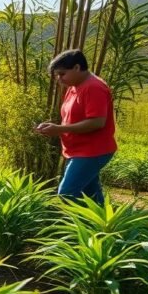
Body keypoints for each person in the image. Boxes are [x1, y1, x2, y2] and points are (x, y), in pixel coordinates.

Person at [35, 49, 117, 205]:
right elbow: (70, 117)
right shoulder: (74, 86)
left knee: (67, 192)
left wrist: (59, 129)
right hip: (79, 150)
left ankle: (80, 227)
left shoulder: (93, 87)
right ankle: (101, 226)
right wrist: (53, 127)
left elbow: (97, 122)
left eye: (62, 74)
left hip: (92, 151)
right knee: (91, 195)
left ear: (77, 68)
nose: (59, 79)